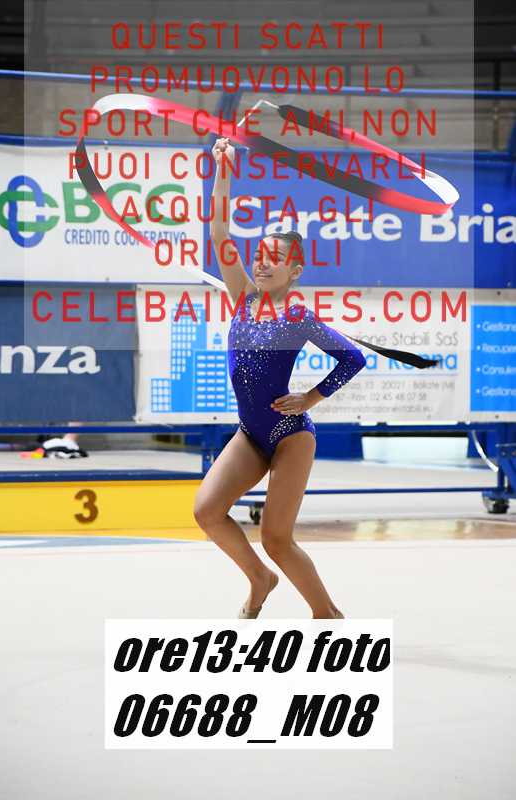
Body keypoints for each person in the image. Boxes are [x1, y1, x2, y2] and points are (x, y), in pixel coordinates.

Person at [193, 137, 366, 620]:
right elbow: (218, 229)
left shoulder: (297, 317)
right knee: (207, 511)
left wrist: (310, 397)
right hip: (251, 434)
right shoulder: (243, 298)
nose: (263, 262)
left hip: (290, 436)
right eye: (260, 255)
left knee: (276, 538)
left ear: (295, 270)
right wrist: (224, 169)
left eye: (274, 258)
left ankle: (327, 614)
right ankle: (259, 579)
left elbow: (352, 358)